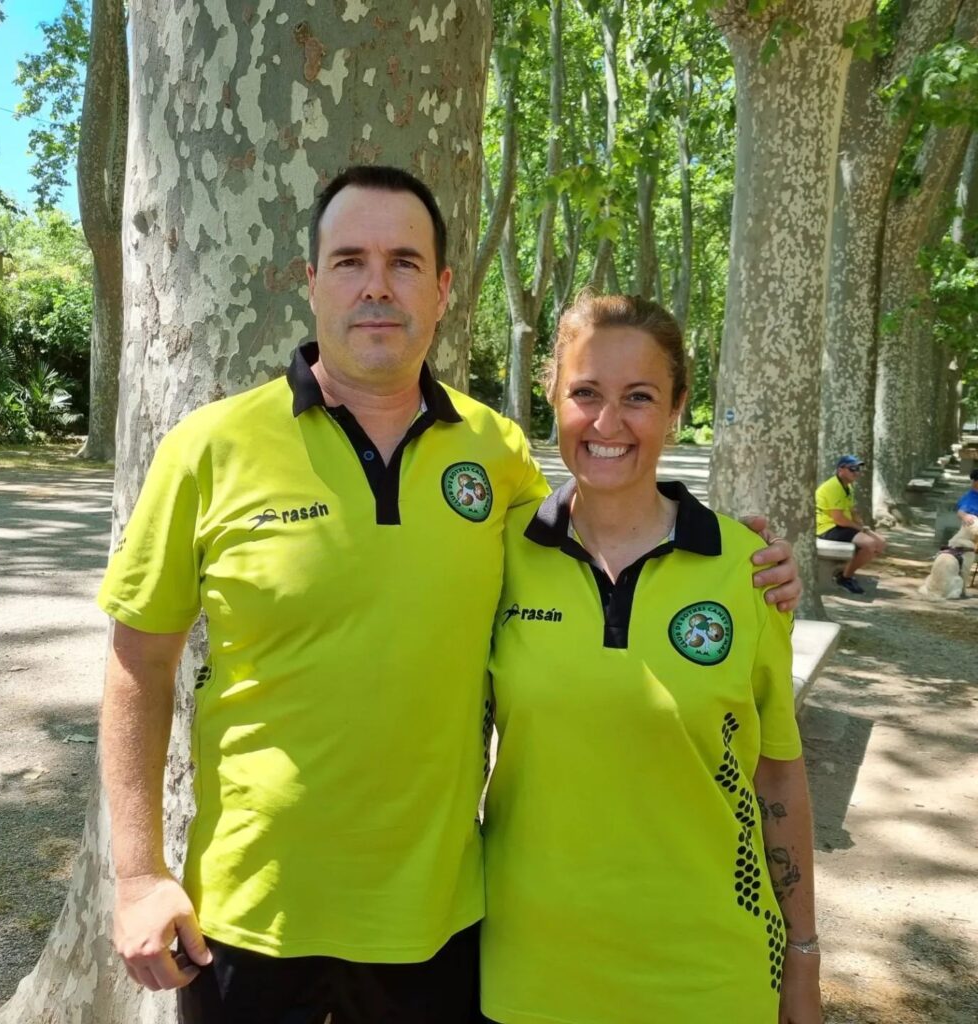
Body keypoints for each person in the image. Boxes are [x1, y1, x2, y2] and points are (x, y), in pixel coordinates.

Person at [96, 167, 802, 1024]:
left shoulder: (497, 454)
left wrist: (740, 561)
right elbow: (139, 661)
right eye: (350, 261)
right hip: (250, 916)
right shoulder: (209, 448)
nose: (376, 286)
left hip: (440, 923)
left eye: (404, 262)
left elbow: (606, 523)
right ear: (310, 281)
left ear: (441, 290)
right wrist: (138, 875)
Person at [480, 292, 819, 1024]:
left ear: (676, 409)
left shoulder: (748, 569)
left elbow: (777, 773)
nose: (608, 423)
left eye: (638, 397)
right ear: (551, 397)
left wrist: (803, 955)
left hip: (708, 972)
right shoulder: (498, 553)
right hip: (529, 966)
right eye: (585, 393)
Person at [815, 455, 886, 594]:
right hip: (828, 528)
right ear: (840, 470)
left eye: (858, 469)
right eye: (852, 469)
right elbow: (839, 519)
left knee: (881, 543)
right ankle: (845, 578)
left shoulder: (848, 487)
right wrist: (860, 529)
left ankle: (846, 570)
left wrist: (863, 526)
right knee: (870, 544)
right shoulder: (833, 487)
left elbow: (852, 511)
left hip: (841, 526)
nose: (856, 472)